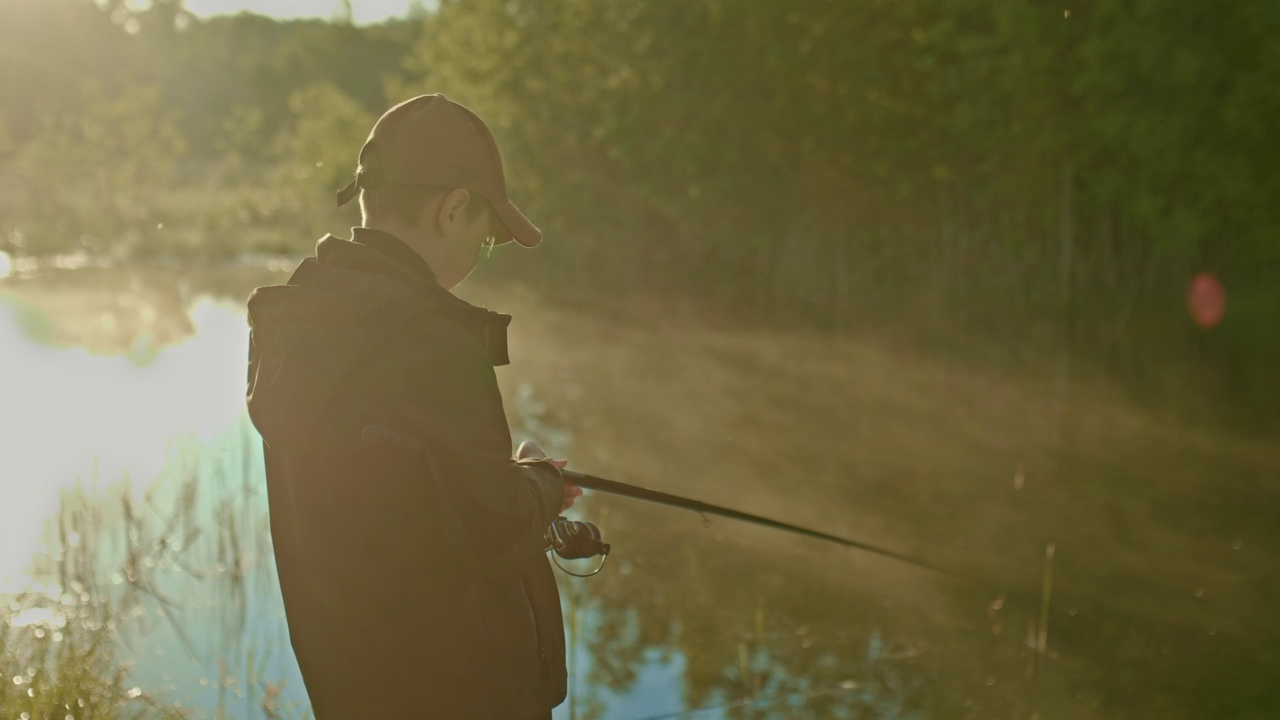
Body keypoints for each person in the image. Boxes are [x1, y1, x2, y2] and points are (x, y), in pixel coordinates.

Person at [244, 94, 582, 719]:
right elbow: (493, 525)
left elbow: (388, 483)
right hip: (463, 690)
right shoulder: (432, 343)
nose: (479, 256)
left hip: (350, 685)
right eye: (485, 239)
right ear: (453, 209)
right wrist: (539, 482)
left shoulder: (298, 310)